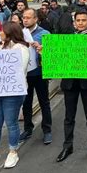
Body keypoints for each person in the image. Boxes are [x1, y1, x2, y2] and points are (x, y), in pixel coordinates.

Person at [56, 11, 87, 163]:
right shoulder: (66, 40)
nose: (81, 23)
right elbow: (57, 59)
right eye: (78, 20)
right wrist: (46, 53)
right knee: (69, 117)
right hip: (70, 84)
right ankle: (67, 146)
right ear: (74, 22)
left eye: (84, 20)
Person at [0, 22, 30, 170]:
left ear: (9, 33)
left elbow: (18, 69)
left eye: (2, 31)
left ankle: (13, 151)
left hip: (13, 93)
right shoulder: (0, 46)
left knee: (11, 122)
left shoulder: (21, 49)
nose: (0, 33)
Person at [19, 9, 52, 144]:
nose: (25, 20)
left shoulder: (45, 34)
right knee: (26, 102)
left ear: (36, 19)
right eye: (23, 17)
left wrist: (41, 49)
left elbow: (52, 54)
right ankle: (27, 128)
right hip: (25, 74)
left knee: (44, 101)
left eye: (28, 17)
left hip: (39, 73)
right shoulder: (19, 33)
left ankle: (47, 130)